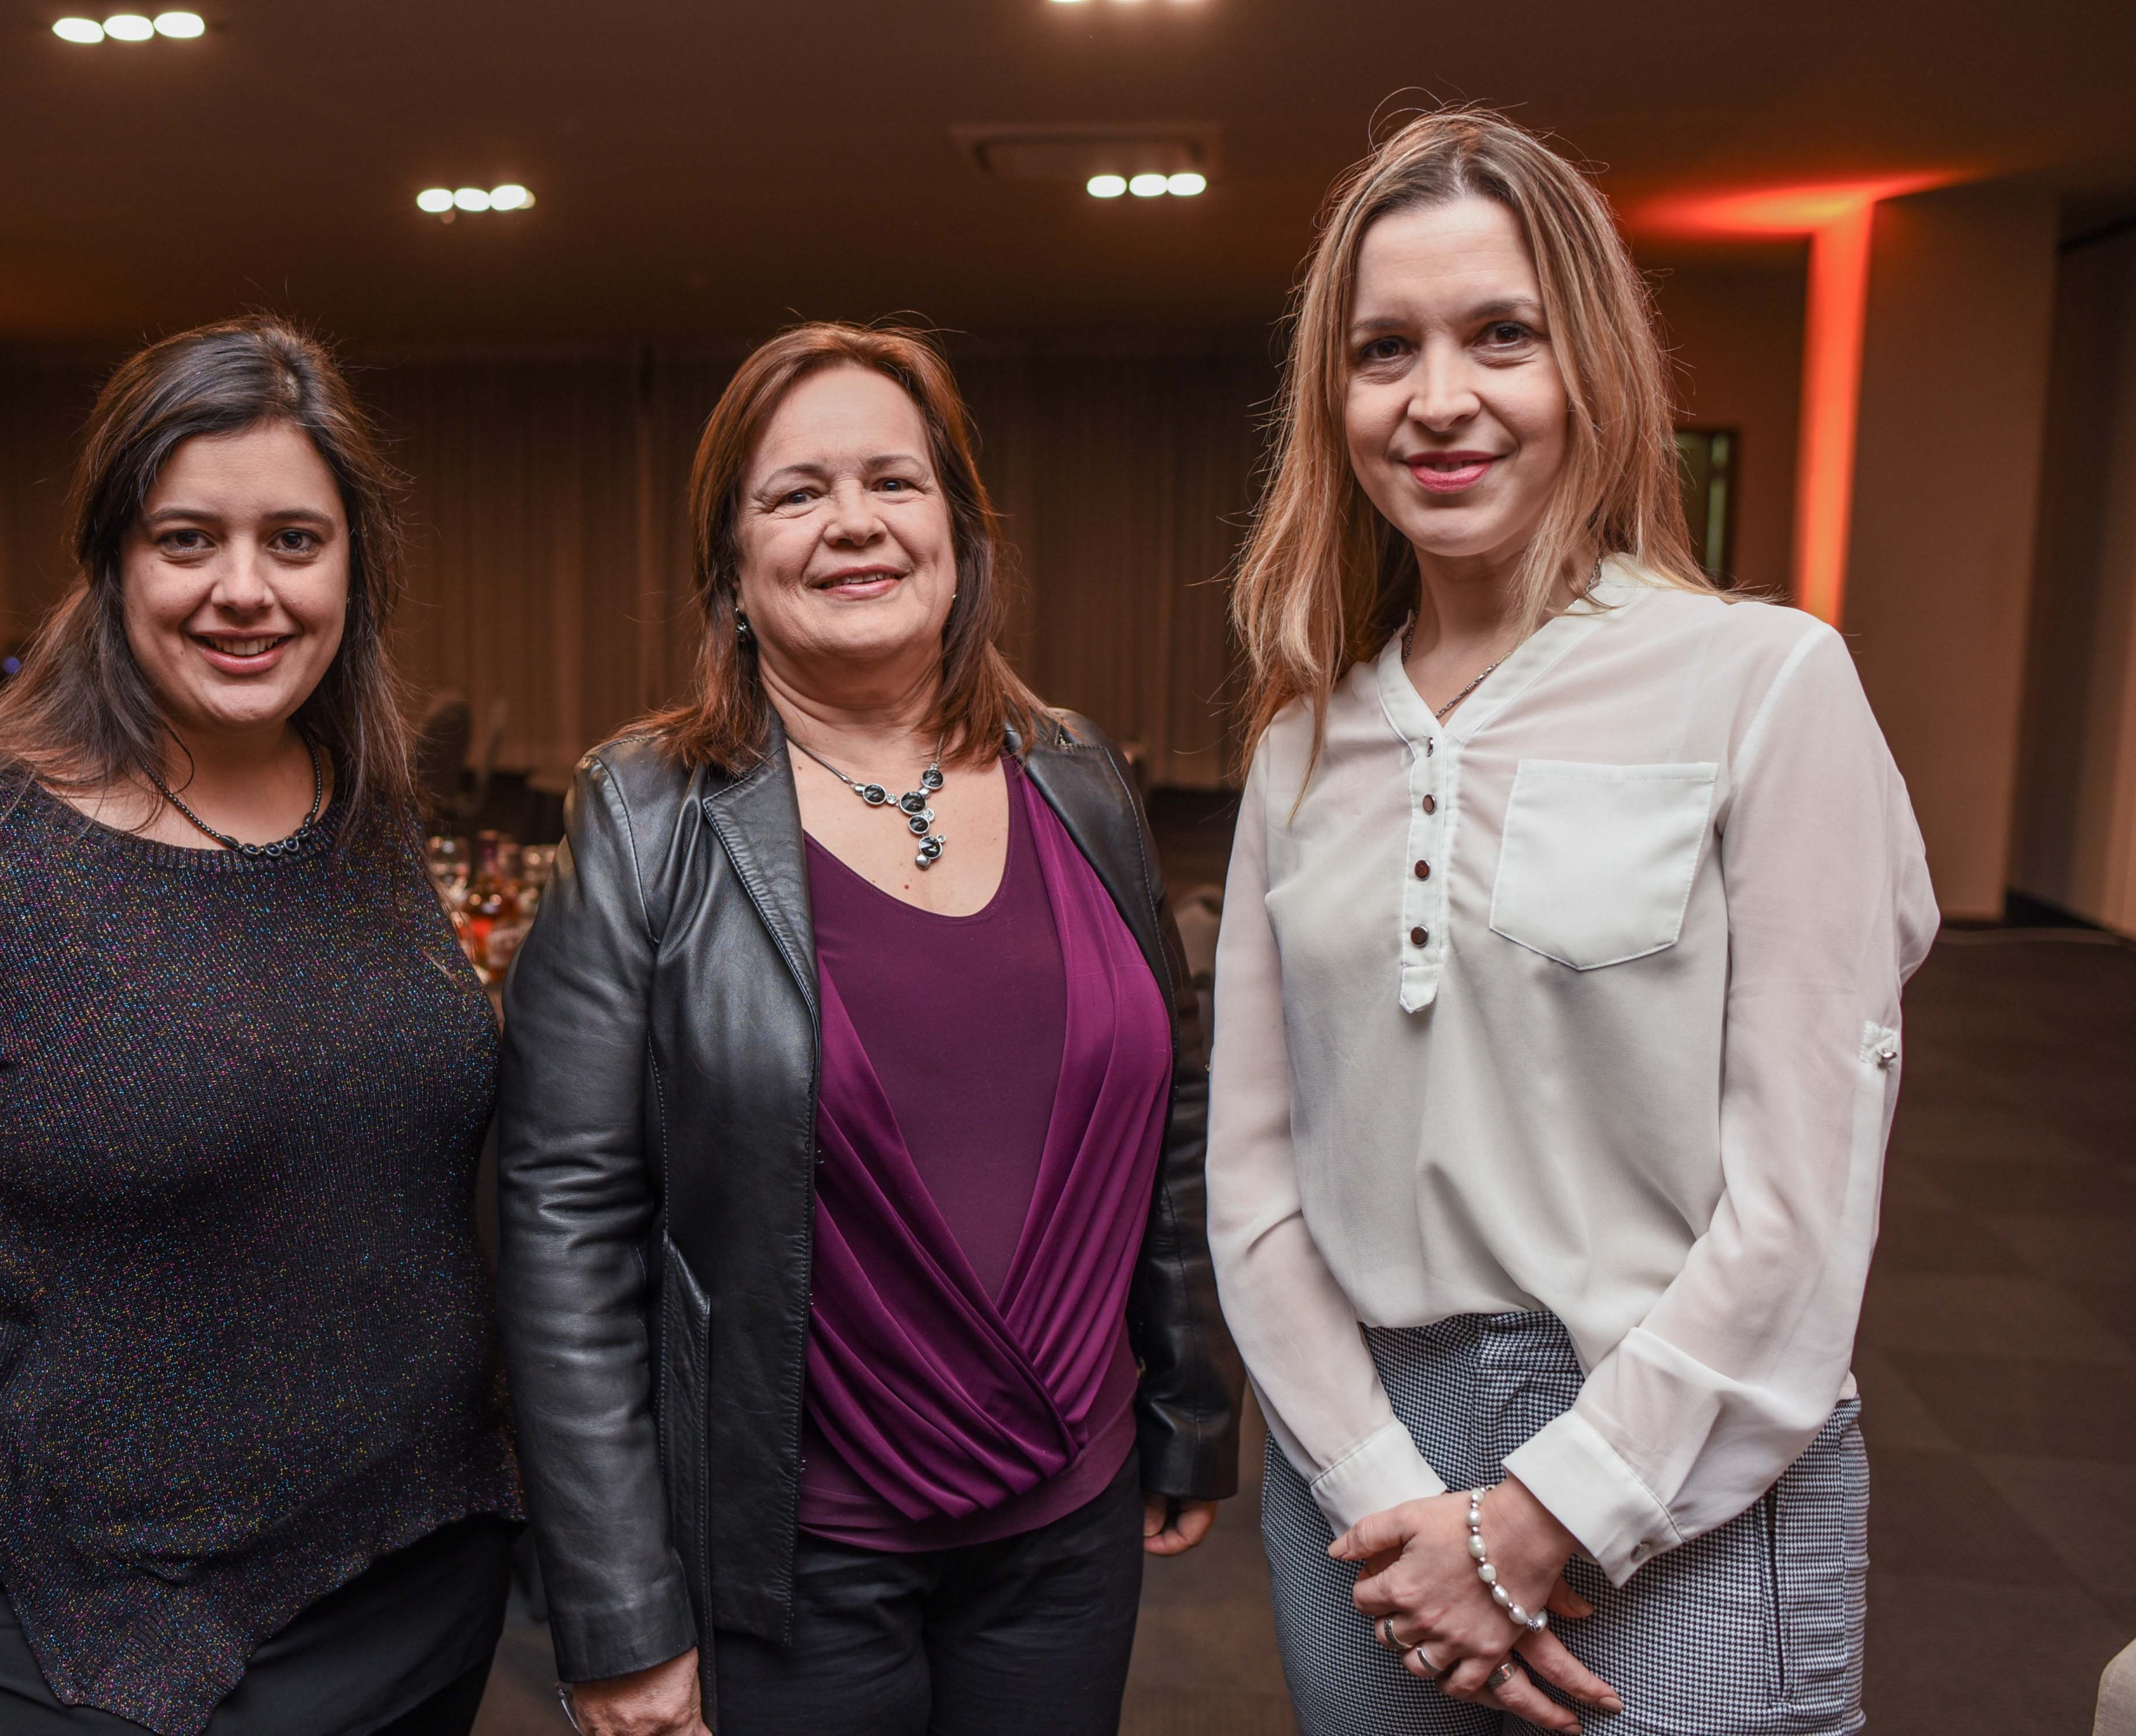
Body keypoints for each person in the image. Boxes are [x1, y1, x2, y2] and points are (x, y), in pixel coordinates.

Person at [1207, 109, 1939, 1736]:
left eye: (1502, 336)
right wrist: (1403, 1502)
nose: (1439, 399)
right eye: (1384, 349)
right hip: (1361, 1485)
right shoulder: (1302, 743)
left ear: (1591, 368)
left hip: (1678, 1471)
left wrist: (1545, 1517)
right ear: (1335, 403)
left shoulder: (1765, 685)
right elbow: (1254, 1185)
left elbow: (1804, 1201)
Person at [0, 316, 522, 1736]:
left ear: (356, 565)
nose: (246, 590)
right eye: (189, 539)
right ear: (113, 558)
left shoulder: (362, 803)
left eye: (295, 540)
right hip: (92, 1635)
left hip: (417, 1571)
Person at [496, 321, 1243, 1736]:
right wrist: (613, 1606)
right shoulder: (647, 814)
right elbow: (562, 1223)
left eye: (894, 482)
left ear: (958, 528)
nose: (854, 523)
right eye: (795, 493)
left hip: (1068, 1532)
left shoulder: (1077, 775)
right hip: (797, 1557)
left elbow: (1175, 1114)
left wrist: (1190, 1407)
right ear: (731, 563)